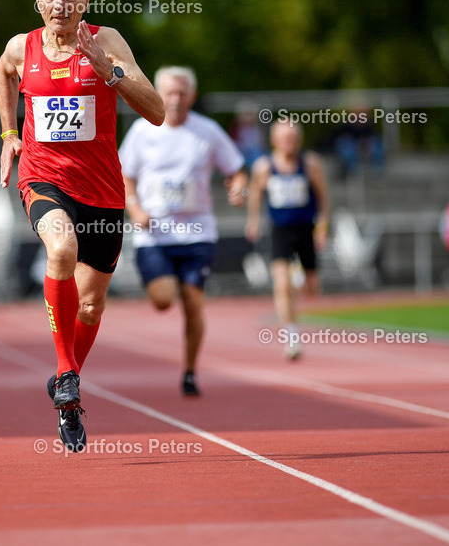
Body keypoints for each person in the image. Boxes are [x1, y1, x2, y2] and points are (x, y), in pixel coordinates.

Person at [0, 0, 164, 451]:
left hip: (103, 191)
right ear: (38, 2)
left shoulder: (107, 41)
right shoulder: (20, 47)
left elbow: (155, 112)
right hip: (44, 178)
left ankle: (65, 384)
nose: (60, 5)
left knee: (90, 305)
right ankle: (67, 374)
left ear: (85, 2)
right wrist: (10, 134)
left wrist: (107, 71)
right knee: (61, 250)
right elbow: (4, 74)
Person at [119, 66, 247, 396]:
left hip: (197, 232)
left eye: (181, 93)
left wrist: (238, 189)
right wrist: (134, 207)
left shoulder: (208, 131)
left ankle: (189, 372)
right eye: (169, 93)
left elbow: (236, 170)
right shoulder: (142, 130)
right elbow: (125, 174)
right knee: (163, 300)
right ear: (158, 94)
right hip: (155, 235)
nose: (175, 100)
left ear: (192, 96)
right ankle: (170, 281)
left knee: (193, 303)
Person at [245, 120, 330, 360]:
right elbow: (255, 194)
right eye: (284, 138)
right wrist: (253, 221)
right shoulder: (263, 167)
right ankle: (292, 337)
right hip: (280, 231)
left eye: (292, 138)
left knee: (312, 291)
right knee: (281, 285)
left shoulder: (311, 164)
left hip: (306, 230)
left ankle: (300, 275)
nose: (288, 143)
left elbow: (324, 199)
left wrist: (322, 228)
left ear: (299, 140)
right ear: (274, 140)